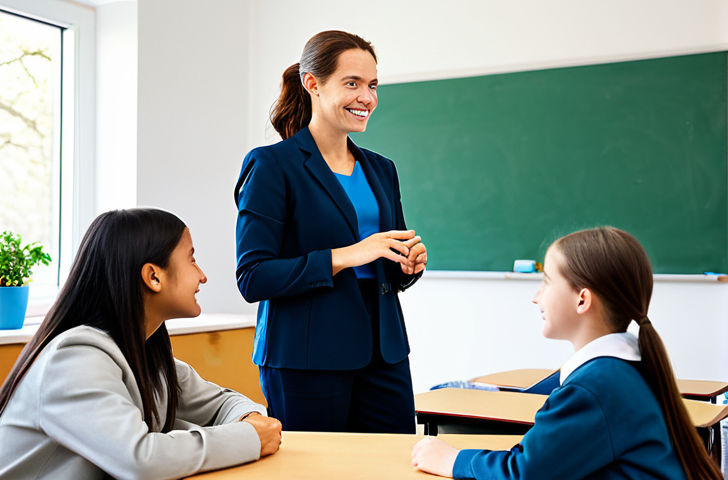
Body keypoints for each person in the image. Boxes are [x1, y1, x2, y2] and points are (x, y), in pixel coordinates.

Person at [0, 209, 282, 480]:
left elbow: (222, 403)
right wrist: (249, 437)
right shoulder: (74, 359)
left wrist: (249, 422)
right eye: (191, 258)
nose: (202, 276)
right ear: (153, 277)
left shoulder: (143, 354)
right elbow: (140, 461)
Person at [411, 227, 723, 480]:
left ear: (582, 300)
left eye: (546, 282)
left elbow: (524, 473)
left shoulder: (594, 388)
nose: (536, 297)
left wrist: (453, 460)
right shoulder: (625, 365)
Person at [234, 30, 427, 434]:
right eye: (352, 83)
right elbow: (253, 277)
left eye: (372, 85)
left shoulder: (381, 169)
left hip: (385, 351)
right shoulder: (273, 166)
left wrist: (407, 265)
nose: (367, 97)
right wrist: (349, 254)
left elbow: (383, 259)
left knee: (391, 469)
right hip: (306, 357)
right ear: (313, 84)